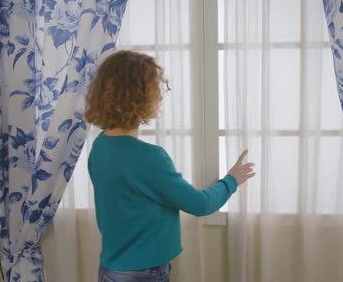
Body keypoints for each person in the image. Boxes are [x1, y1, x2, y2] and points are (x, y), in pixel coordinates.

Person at [84, 50, 255, 282]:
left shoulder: (100, 147)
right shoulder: (148, 157)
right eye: (156, 90)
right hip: (143, 274)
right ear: (140, 96)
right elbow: (200, 204)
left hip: (110, 269)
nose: (160, 97)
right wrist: (232, 180)